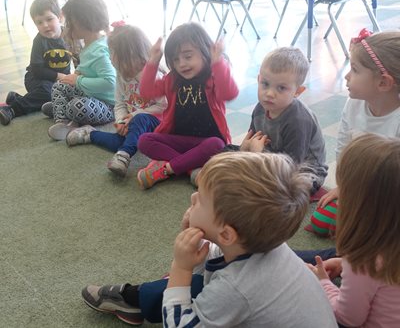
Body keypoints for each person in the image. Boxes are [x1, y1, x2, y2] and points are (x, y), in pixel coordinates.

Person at [81, 151, 337, 327]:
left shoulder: (236, 288)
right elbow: (220, 258)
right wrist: (203, 243)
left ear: (226, 233)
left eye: (200, 198)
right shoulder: (263, 243)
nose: (192, 199)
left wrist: (181, 268)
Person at [310, 30, 400, 236]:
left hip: (390, 197)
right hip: (360, 188)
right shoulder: (353, 104)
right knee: (322, 221)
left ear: (383, 83)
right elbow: (343, 150)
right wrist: (344, 187)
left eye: (355, 70)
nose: (347, 76)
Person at [307, 134, 400, 328]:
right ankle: (288, 257)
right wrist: (343, 263)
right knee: (333, 255)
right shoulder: (384, 244)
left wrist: (324, 283)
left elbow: (347, 318)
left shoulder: (363, 260)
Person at [135, 22, 239, 189]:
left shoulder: (213, 77)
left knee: (217, 145)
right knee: (144, 140)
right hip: (180, 140)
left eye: (188, 56)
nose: (182, 63)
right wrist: (153, 61)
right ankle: (191, 169)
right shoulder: (172, 79)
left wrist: (218, 62)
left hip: (207, 142)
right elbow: (146, 91)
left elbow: (229, 93)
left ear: (205, 53)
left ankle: (167, 168)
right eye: (176, 59)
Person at [65, 23, 167, 177]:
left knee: (139, 121)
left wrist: (134, 116)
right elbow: (119, 103)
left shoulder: (152, 75)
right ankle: (89, 134)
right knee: (119, 142)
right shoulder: (121, 75)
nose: (109, 56)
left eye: (112, 52)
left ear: (131, 55)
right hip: (132, 123)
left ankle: (124, 155)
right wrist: (120, 122)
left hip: (157, 123)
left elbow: (164, 106)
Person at [228, 46, 327, 195]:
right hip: (270, 158)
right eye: (265, 84)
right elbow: (251, 142)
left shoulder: (298, 120)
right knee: (225, 152)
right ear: (258, 79)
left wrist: (257, 156)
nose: (269, 94)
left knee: (285, 191)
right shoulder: (260, 108)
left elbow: (291, 167)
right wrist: (245, 149)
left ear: (297, 92)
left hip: (304, 171)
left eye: (281, 88)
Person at [47, 0, 116, 141]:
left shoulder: (99, 52)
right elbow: (86, 68)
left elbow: (110, 82)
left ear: (82, 22)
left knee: (75, 106)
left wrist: (78, 80)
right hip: (92, 94)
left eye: (70, 22)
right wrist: (77, 75)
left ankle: (64, 112)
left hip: (109, 105)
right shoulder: (90, 44)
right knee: (59, 86)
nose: (67, 26)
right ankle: (62, 119)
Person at [0, 0, 71, 126]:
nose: (45, 25)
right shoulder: (39, 41)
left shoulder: (70, 36)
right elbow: (38, 70)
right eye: (39, 22)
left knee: (66, 96)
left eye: (49, 19)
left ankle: (15, 98)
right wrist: (59, 76)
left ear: (60, 17)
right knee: (48, 93)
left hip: (60, 81)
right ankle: (12, 109)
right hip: (36, 78)